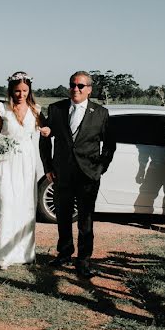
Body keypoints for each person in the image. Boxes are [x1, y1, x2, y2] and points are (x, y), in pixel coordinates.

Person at [39, 71, 116, 278]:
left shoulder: (100, 113)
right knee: (63, 217)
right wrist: (48, 167)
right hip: (62, 173)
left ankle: (83, 261)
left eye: (81, 86)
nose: (76, 89)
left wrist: (100, 169)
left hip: (88, 176)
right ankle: (64, 254)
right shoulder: (56, 109)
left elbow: (109, 145)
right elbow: (45, 139)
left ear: (89, 89)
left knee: (85, 221)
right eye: (73, 85)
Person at [0, 72, 49, 269]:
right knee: (6, 204)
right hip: (5, 162)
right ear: (11, 90)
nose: (21, 94)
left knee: (25, 205)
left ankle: (25, 253)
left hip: (26, 161)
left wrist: (47, 130)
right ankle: (3, 256)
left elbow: (46, 128)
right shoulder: (2, 109)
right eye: (17, 91)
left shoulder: (35, 109)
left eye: (24, 90)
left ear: (29, 90)